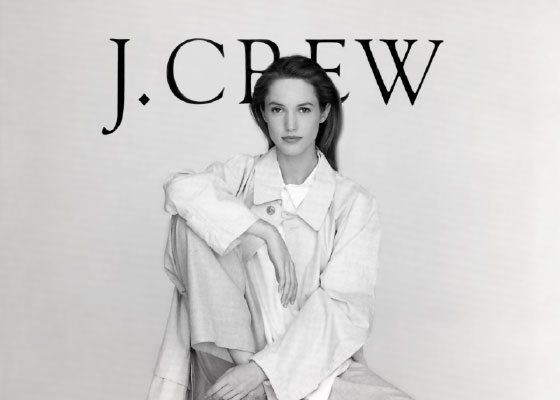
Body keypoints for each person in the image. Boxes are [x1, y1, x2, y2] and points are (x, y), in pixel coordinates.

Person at [147, 55, 413, 400]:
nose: (290, 124)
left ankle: (260, 383)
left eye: (303, 109)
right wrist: (264, 231)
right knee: (190, 221)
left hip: (313, 366)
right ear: (263, 114)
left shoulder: (353, 202)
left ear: (324, 112)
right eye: (277, 109)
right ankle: (246, 371)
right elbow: (179, 189)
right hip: (230, 359)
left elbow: (343, 310)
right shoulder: (239, 175)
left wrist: (262, 371)